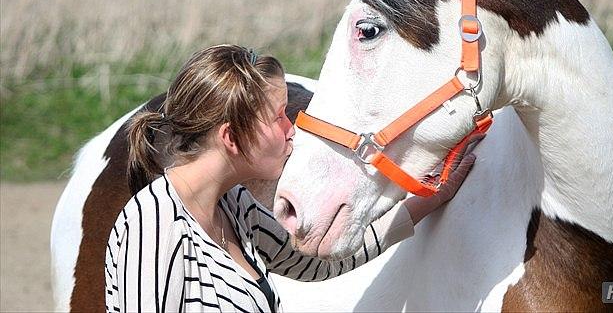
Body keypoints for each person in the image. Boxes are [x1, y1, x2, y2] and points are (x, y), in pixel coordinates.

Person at [105, 44, 477, 312]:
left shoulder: (234, 207)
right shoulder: (153, 224)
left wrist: (425, 201)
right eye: (279, 117)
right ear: (231, 138)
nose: (293, 129)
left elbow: (317, 263)